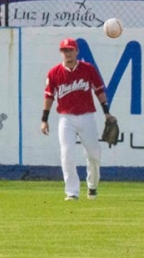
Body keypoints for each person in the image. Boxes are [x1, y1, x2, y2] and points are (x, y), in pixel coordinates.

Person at [41, 38, 113, 201]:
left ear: (77, 51)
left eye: (70, 50)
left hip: (87, 116)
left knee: (94, 154)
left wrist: (106, 112)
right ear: (61, 53)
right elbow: (49, 96)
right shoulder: (54, 73)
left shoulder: (88, 69)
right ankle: (72, 192)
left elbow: (99, 91)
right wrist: (44, 119)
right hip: (66, 118)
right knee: (67, 154)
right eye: (64, 50)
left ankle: (92, 186)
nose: (67, 53)